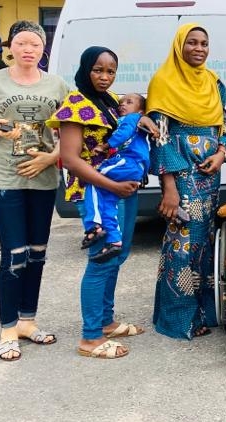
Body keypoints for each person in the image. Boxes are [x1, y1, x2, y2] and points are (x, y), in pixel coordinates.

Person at [0, 20, 68, 361]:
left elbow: (69, 134)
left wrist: (51, 158)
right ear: (10, 46)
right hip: (6, 180)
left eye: (35, 44)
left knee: (37, 253)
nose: (28, 49)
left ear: (43, 49)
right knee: (14, 254)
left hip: (43, 180)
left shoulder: (57, 85)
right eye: (22, 43)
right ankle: (8, 328)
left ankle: (28, 321)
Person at [50, 46, 153, 359]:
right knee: (101, 260)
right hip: (96, 191)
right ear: (86, 69)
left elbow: (129, 129)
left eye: (110, 71)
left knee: (117, 254)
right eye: (98, 70)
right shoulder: (74, 104)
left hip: (121, 187)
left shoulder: (110, 102)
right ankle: (90, 337)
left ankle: (106, 322)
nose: (105, 77)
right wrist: (113, 185)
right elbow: (70, 159)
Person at [148, 23, 226, 340]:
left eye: (204, 43)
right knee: (182, 243)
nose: (199, 48)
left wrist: (222, 153)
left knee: (207, 242)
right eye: (192, 43)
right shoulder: (163, 81)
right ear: (179, 46)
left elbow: (223, 122)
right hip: (182, 172)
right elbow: (160, 137)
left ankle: (207, 311)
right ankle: (179, 319)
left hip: (209, 172)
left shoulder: (214, 82)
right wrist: (169, 189)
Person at [79, 93, 150, 263]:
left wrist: (105, 146)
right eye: (121, 102)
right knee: (109, 200)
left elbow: (123, 134)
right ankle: (114, 240)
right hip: (131, 166)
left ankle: (93, 225)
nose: (122, 104)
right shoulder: (134, 120)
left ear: (140, 111)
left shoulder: (132, 118)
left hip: (128, 162)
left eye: (129, 102)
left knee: (93, 180)